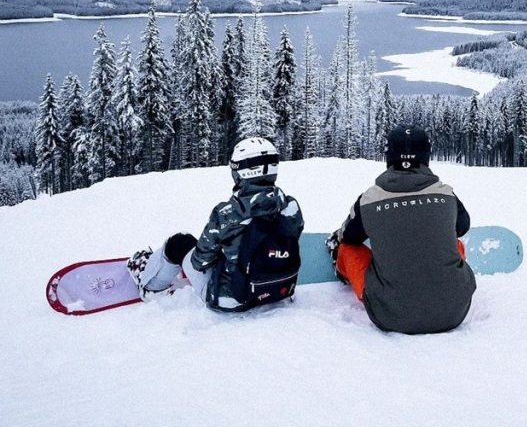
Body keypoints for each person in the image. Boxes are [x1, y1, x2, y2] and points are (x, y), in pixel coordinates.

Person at [327, 124, 476, 334]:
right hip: (455, 312)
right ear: (426, 156)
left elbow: (349, 237)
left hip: (388, 315)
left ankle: (341, 267)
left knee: (346, 249)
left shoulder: (370, 199)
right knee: (455, 243)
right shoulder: (447, 194)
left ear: (389, 156)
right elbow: (463, 227)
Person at [127, 137, 304, 312]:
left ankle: (150, 286)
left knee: (179, 242)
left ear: (241, 172)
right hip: (279, 290)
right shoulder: (292, 207)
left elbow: (199, 261)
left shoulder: (227, 213)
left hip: (231, 299)